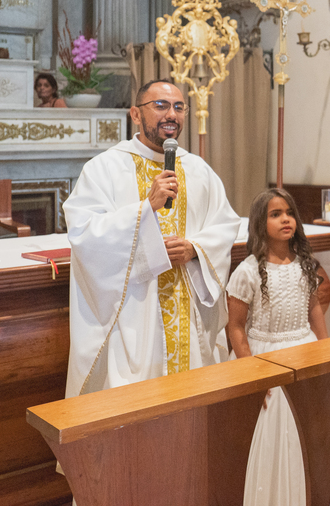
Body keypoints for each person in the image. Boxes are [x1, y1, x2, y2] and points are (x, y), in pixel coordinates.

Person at [61, 79, 240, 397]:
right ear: (135, 114)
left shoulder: (198, 170)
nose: (171, 114)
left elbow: (225, 225)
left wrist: (194, 249)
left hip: (189, 316)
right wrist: (147, 208)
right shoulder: (105, 168)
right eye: (160, 106)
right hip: (134, 319)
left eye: (179, 107)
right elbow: (84, 233)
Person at [227, 189, 327, 506]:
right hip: (265, 359)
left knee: (306, 435)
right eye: (275, 214)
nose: (286, 219)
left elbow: (314, 309)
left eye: (289, 213)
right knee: (273, 436)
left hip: (304, 351)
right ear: (260, 223)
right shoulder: (248, 271)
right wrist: (252, 372)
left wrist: (326, 351)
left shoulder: (306, 265)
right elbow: (235, 326)